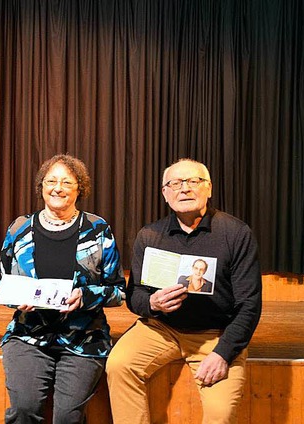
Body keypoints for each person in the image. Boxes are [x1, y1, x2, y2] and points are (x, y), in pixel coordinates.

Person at [106, 158, 262, 424]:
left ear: (209, 188)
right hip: (161, 329)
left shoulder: (235, 233)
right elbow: (135, 296)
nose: (185, 189)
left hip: (216, 334)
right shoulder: (150, 235)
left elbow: (249, 304)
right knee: (119, 366)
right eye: (175, 183)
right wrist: (153, 303)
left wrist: (223, 353)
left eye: (194, 181)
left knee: (220, 413)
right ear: (166, 194)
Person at [0, 154, 126, 424]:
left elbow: (118, 291)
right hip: (28, 335)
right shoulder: (19, 228)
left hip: (84, 338)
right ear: (41, 187)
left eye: (67, 182)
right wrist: (17, 299)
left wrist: (86, 296)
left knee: (67, 417)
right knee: (24, 409)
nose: (58, 188)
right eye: (51, 181)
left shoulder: (97, 229)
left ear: (80, 188)